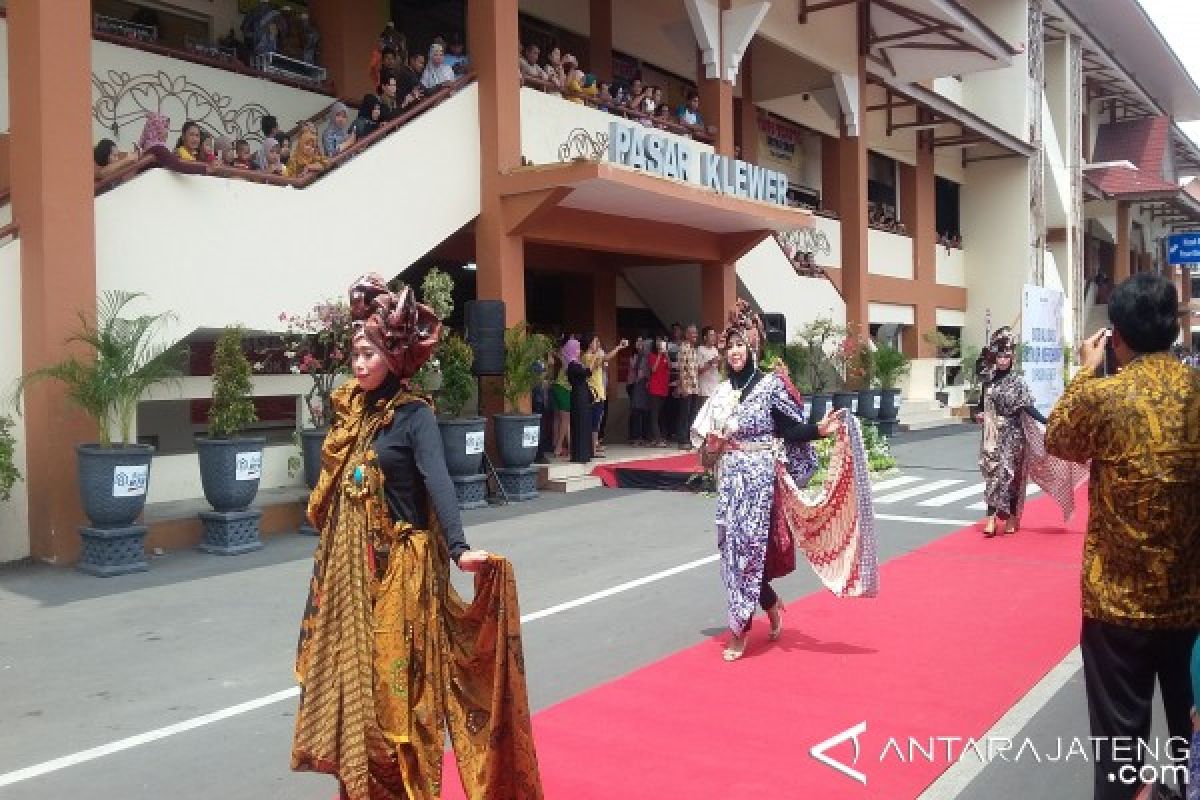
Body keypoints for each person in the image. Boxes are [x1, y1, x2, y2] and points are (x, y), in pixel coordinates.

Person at [291, 274, 543, 800]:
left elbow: (439, 482)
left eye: (370, 353)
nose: (360, 364)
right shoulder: (352, 413)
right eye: (356, 353)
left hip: (401, 581)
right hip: (353, 583)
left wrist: (458, 547)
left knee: (393, 704)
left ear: (394, 356)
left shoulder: (414, 417)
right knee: (351, 699)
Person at [1046, 272, 1200, 800]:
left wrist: (1087, 372)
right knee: (1194, 743)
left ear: (1118, 335)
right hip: (1191, 604)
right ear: (1173, 330)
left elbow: (1058, 438)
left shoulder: (1105, 397)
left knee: (1119, 753)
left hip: (1117, 606)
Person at [691, 300, 878, 662]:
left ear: (752, 348)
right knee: (732, 554)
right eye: (729, 346)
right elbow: (705, 447)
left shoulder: (768, 386)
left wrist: (819, 431)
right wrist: (712, 448)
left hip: (760, 479)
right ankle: (770, 602)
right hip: (730, 480)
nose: (734, 352)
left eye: (740, 345)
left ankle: (738, 629)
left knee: (748, 553)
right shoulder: (721, 393)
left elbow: (790, 428)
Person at [974, 327, 1050, 535]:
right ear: (994, 357)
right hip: (992, 435)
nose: (1003, 360)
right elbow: (980, 405)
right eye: (1000, 356)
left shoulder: (1017, 382)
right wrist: (979, 414)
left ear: (1012, 359)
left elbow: (1026, 406)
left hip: (1013, 434)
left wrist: (1046, 421)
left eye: (1007, 357)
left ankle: (1012, 517)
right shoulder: (988, 380)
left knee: (1009, 475)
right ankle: (990, 518)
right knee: (992, 475)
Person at [583, 335, 629, 458]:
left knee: (596, 423)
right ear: (589, 343)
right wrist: (619, 347)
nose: (598, 344)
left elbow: (605, 360)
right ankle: (592, 449)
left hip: (600, 393)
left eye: (598, 341)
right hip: (594, 394)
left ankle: (594, 447)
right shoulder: (587, 357)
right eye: (595, 341)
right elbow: (606, 358)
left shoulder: (594, 356)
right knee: (593, 423)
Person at [563, 338, 592, 463]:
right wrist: (592, 363)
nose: (579, 351)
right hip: (578, 397)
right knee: (579, 424)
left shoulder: (575, 364)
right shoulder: (572, 365)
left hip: (581, 396)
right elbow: (586, 373)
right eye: (578, 349)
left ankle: (583, 454)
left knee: (583, 424)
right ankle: (579, 455)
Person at [676, 325, 700, 449]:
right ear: (687, 335)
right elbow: (681, 369)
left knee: (692, 414)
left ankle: (690, 439)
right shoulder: (683, 348)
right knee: (684, 415)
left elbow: (695, 370)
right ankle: (682, 440)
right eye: (693, 333)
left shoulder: (693, 349)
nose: (695, 335)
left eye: (696, 333)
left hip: (695, 387)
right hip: (687, 388)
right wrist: (684, 388)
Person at [646, 335, 671, 447]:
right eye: (657, 340)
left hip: (663, 388)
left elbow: (670, 366)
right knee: (654, 414)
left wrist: (666, 355)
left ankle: (655, 437)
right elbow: (653, 369)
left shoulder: (666, 355)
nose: (659, 343)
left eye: (661, 341)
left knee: (661, 414)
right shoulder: (652, 355)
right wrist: (659, 355)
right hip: (655, 388)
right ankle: (657, 438)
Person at [627, 337, 651, 446]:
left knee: (645, 411)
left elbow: (648, 371)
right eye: (638, 341)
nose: (640, 344)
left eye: (642, 342)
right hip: (634, 384)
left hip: (645, 385)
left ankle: (644, 437)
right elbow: (635, 368)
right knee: (635, 411)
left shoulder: (647, 356)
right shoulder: (635, 356)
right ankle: (634, 437)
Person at [549, 341, 572, 458]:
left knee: (558, 418)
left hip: (557, 387)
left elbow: (557, 354)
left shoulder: (564, 356)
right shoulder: (570, 359)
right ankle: (558, 448)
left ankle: (558, 445)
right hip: (564, 390)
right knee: (565, 420)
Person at [696, 325, 721, 407]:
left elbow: (718, 368)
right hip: (704, 389)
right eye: (711, 335)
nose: (714, 337)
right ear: (705, 337)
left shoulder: (715, 349)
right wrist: (710, 362)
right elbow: (698, 370)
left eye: (714, 335)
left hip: (715, 386)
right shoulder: (700, 349)